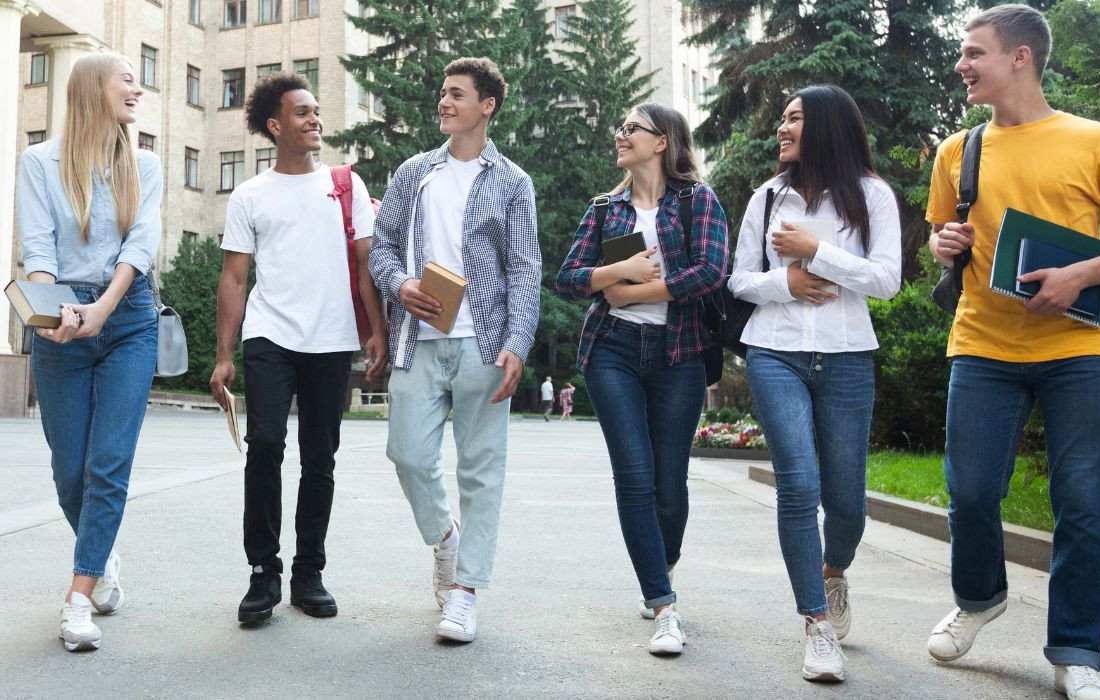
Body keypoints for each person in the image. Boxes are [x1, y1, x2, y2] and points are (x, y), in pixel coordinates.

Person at [924, 6, 1100, 699]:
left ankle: (1075, 653)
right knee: (970, 492)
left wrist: (1080, 275)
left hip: (1082, 348)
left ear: (1020, 58)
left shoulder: (1099, 141)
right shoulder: (957, 151)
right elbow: (945, 235)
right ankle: (980, 598)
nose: (962, 65)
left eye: (974, 53)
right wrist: (943, 242)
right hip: (981, 343)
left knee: (1084, 501)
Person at [729, 85, 902, 682]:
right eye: (782, 118)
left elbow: (887, 280)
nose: (782, 128)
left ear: (826, 124)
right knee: (798, 486)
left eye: (794, 118)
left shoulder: (872, 194)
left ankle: (834, 573)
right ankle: (816, 624)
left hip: (848, 356)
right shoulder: (768, 195)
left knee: (847, 502)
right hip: (774, 351)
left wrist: (816, 252)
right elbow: (740, 280)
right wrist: (787, 284)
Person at [369, 57, 540, 644]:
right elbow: (382, 248)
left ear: (486, 106)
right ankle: (446, 541)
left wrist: (518, 342)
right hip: (417, 340)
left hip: (483, 343)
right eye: (442, 93)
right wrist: (401, 286)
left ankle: (465, 592)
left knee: (481, 471)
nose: (444, 102)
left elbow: (524, 268)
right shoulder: (414, 172)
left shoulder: (513, 182)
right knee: (407, 454)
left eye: (457, 94)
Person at [209, 72, 387, 624]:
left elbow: (364, 266)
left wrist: (376, 331)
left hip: (332, 339)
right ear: (274, 125)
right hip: (270, 335)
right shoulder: (250, 194)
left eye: (316, 111)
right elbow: (235, 278)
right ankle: (263, 572)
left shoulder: (344, 184)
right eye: (303, 112)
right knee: (265, 443)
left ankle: (309, 572)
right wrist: (223, 354)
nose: (315, 119)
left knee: (320, 456)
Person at [556, 102, 728, 656]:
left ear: (662, 142)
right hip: (613, 350)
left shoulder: (695, 199)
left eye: (632, 128)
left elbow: (709, 271)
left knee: (669, 486)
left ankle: (662, 560)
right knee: (634, 477)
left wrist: (633, 290)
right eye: (621, 128)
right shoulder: (608, 210)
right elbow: (570, 277)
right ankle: (664, 604)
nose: (620, 134)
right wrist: (619, 274)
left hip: (679, 353)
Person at [15, 53, 162, 652]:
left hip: (128, 320)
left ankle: (77, 597)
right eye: (126, 77)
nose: (138, 88)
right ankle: (101, 557)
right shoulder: (39, 162)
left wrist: (100, 311)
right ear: (90, 88)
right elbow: (37, 243)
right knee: (68, 471)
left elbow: (141, 243)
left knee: (107, 465)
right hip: (60, 319)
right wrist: (56, 312)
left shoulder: (145, 164)